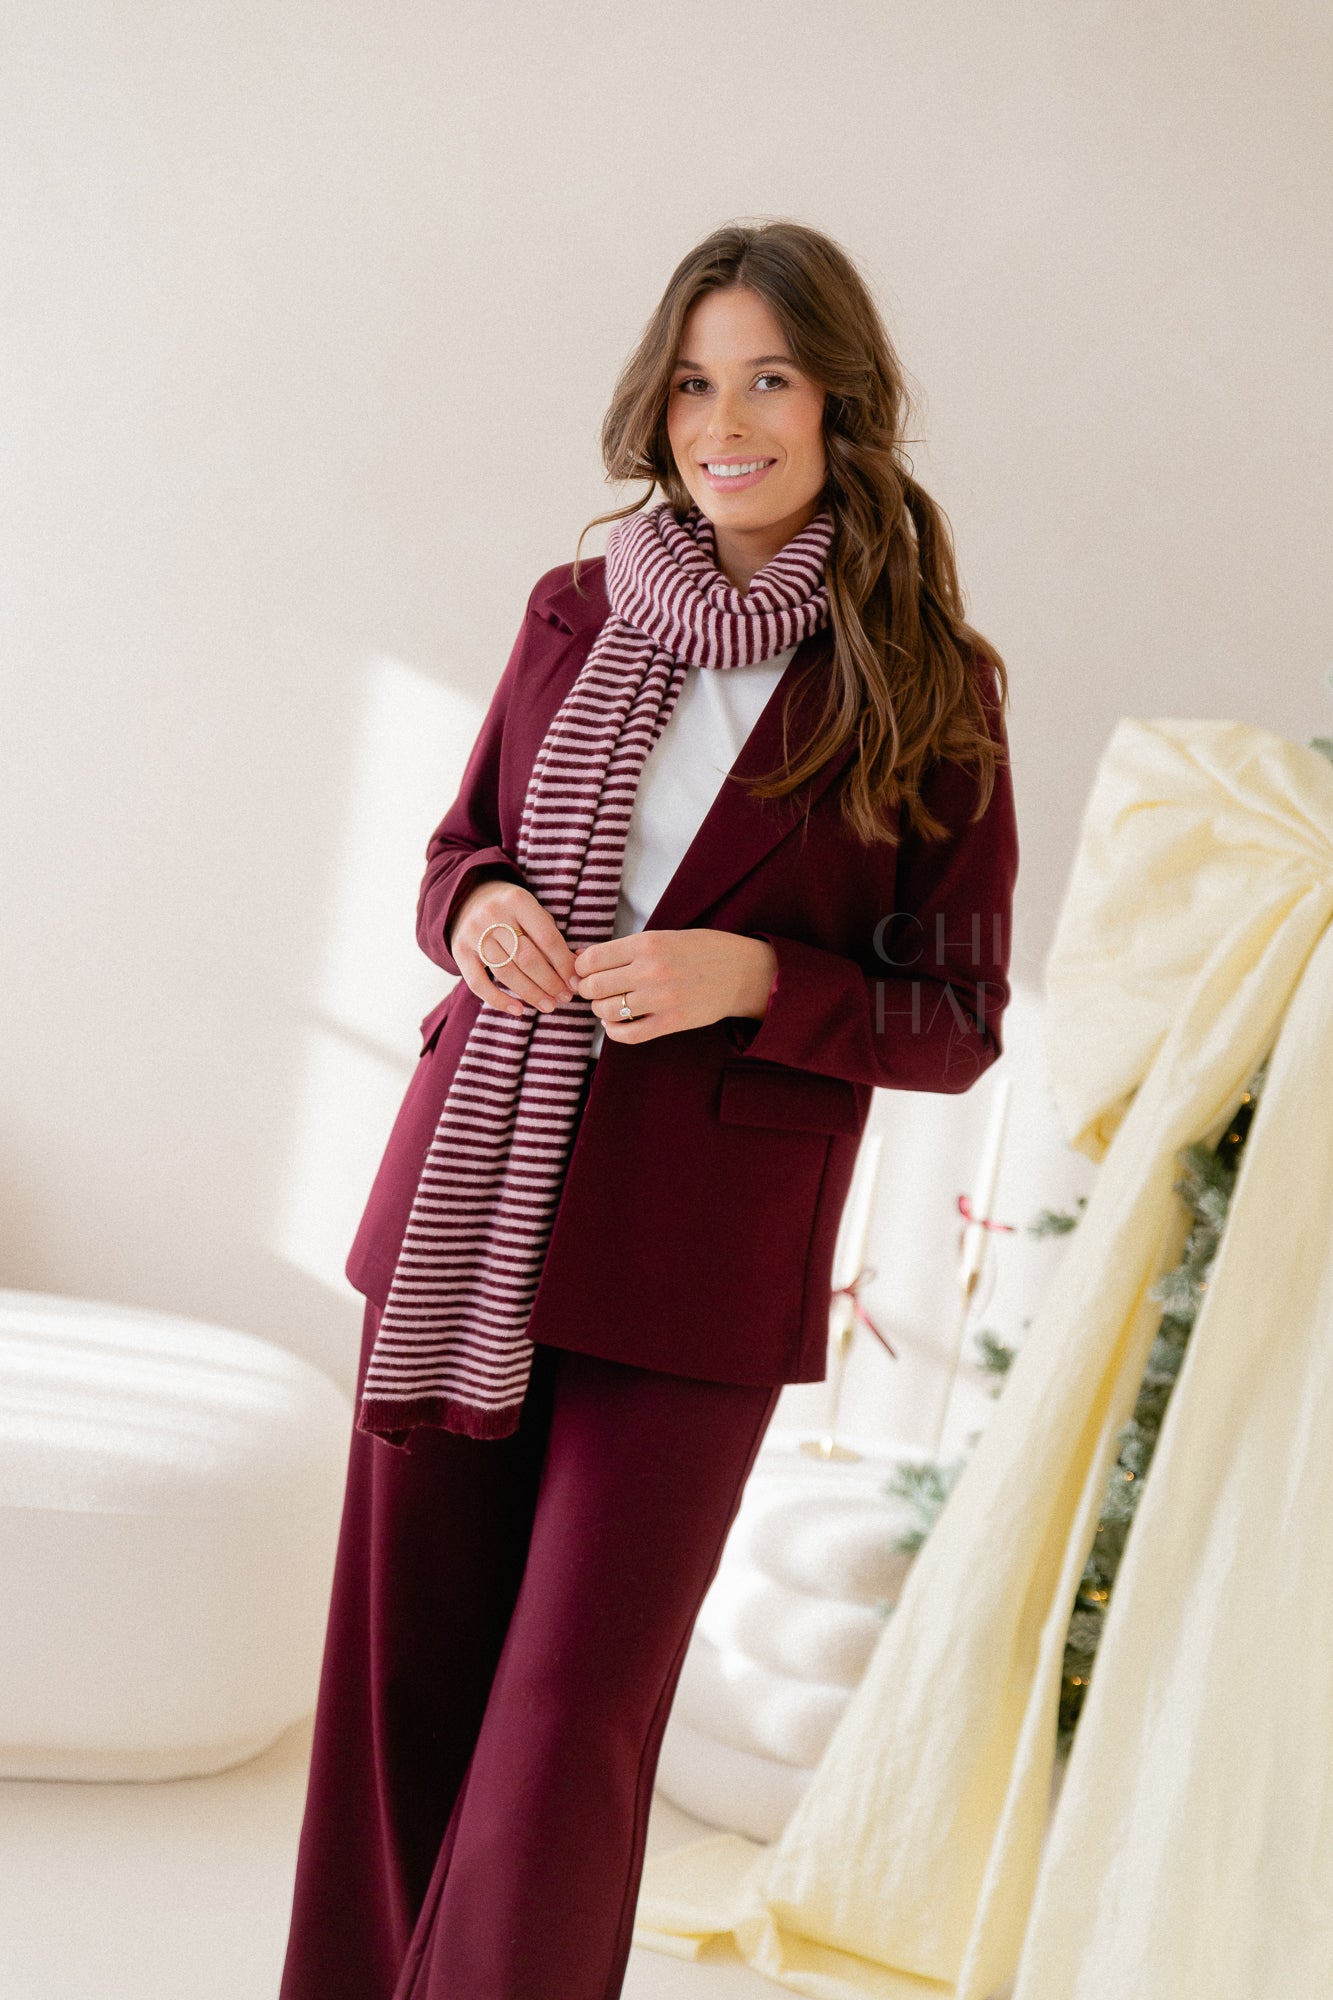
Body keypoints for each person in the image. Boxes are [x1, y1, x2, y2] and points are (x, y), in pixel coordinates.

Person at [279, 218, 1019, 2000]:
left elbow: (958, 1018)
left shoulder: (928, 683)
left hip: (693, 1266)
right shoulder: (579, 605)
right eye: (694, 383)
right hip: (467, 1212)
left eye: (766, 379)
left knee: (566, 1720)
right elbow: (459, 852)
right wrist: (477, 908)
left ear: (841, 404)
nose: (722, 423)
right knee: (402, 1684)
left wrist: (752, 976)